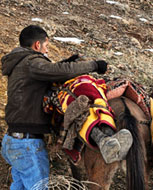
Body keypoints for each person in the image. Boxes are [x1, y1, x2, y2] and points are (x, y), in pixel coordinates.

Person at [0, 25, 132, 190]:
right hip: (27, 144)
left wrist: (66, 62)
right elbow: (56, 71)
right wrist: (94, 65)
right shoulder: (31, 62)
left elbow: (51, 72)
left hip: (13, 140)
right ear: (37, 45)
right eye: (46, 46)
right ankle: (103, 138)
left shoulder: (20, 64)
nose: (47, 50)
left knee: (19, 186)